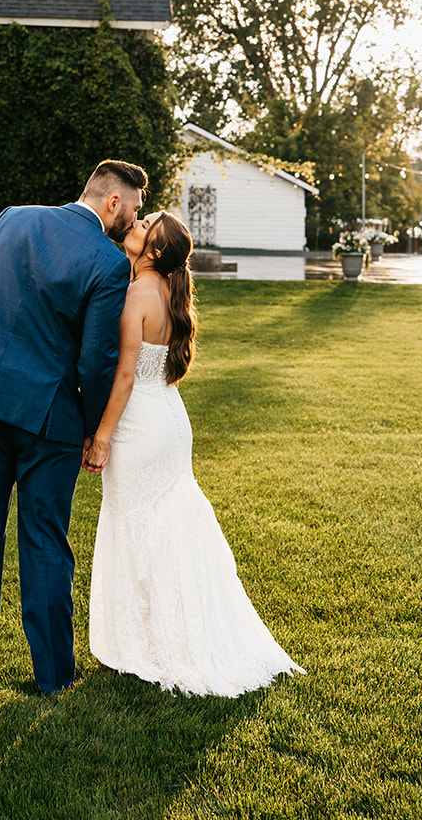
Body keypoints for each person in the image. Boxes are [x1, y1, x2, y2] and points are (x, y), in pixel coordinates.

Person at [0, 159, 148, 695]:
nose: (134, 222)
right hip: (50, 420)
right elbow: (95, 361)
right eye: (135, 210)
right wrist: (93, 426)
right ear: (113, 203)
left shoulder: (12, 219)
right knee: (45, 543)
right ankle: (54, 676)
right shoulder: (107, 262)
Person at [86, 210, 304, 696]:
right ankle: (170, 629)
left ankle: (153, 639)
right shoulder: (167, 290)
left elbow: (124, 375)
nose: (136, 225)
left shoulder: (139, 292)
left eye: (145, 226)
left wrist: (101, 436)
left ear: (155, 252)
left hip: (140, 426)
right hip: (168, 419)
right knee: (165, 525)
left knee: (137, 526)